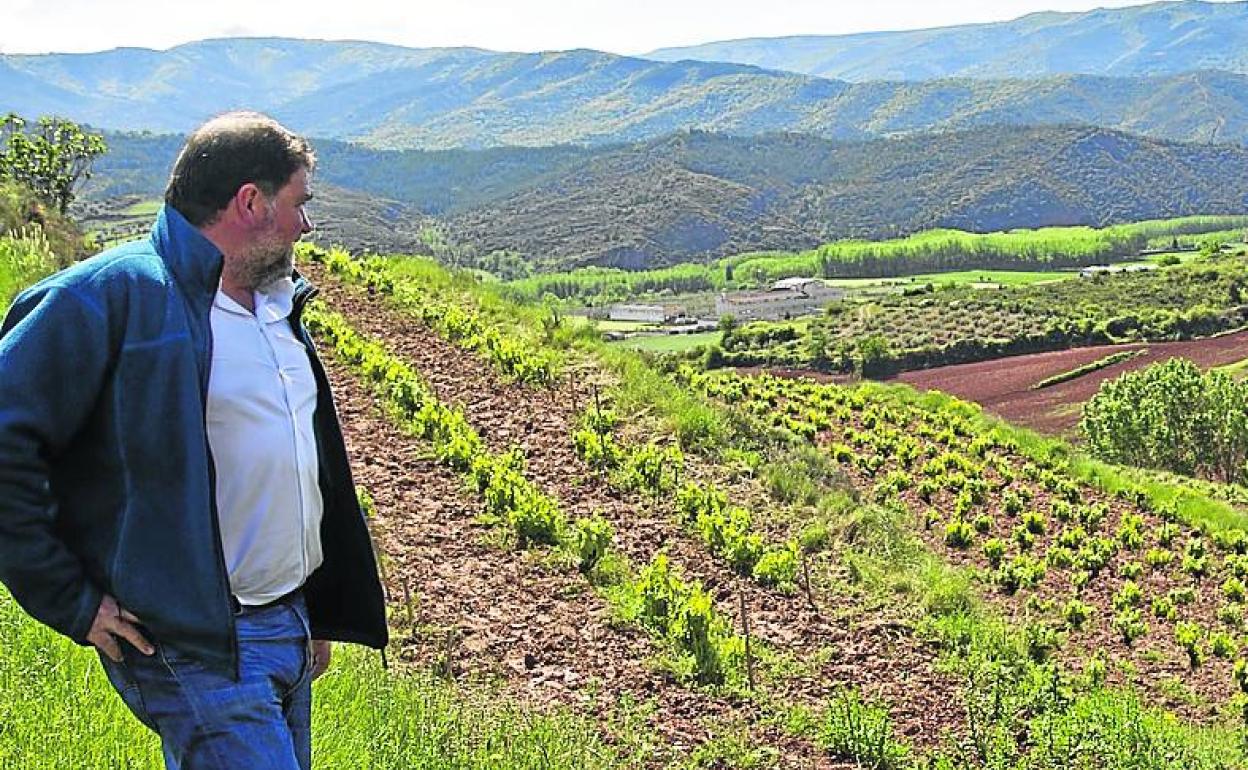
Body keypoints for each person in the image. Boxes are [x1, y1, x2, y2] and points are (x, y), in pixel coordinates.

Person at [0, 111, 387, 769]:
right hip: (194, 642)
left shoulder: (274, 304)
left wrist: (311, 610)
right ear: (250, 202)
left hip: (285, 622)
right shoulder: (108, 298)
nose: (306, 225)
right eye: (299, 203)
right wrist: (68, 598)